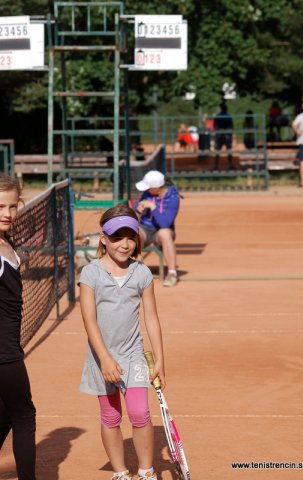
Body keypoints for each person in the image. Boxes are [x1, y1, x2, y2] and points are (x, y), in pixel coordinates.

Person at [78, 204, 165, 480]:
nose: (125, 244)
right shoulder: (90, 273)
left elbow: (151, 317)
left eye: (130, 237)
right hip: (101, 357)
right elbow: (89, 321)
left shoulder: (141, 273)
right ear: (103, 238)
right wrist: (104, 358)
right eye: (117, 237)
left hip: (133, 355)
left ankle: (147, 470)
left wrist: (160, 358)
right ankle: (120, 472)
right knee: (111, 417)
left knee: (140, 414)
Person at [0, 174, 37, 480]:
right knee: (25, 416)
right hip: (4, 353)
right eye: (0, 206)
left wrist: (17, 258)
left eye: (12, 206)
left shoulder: (5, 243)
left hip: (7, 348)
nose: (7, 213)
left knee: (4, 417)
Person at [134, 170, 180, 287]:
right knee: (133, 230)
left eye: (149, 187)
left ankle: (172, 273)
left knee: (165, 233)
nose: (146, 190)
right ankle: (133, 271)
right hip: (145, 229)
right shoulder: (147, 194)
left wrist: (153, 207)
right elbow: (135, 211)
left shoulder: (173, 198)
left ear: (157, 188)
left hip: (162, 232)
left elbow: (165, 223)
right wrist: (139, 210)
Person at [214, 102, 235, 170]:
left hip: (219, 135)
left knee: (217, 151)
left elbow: (215, 125)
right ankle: (230, 165)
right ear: (226, 109)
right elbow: (231, 126)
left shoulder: (218, 116)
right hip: (227, 135)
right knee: (229, 150)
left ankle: (216, 166)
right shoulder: (228, 116)